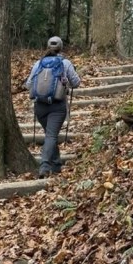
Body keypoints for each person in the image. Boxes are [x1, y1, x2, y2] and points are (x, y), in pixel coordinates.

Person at [26, 36, 81, 178]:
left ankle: (56, 165)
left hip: (40, 106)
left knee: (50, 134)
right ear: (61, 48)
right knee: (51, 135)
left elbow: (28, 84)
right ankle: (44, 166)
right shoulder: (65, 63)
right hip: (57, 106)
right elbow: (76, 83)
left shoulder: (38, 63)